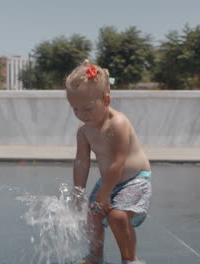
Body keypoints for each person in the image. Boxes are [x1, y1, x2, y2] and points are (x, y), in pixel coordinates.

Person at [65, 60, 152, 264]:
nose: (81, 115)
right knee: (93, 214)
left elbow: (118, 162)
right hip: (109, 180)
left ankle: (130, 260)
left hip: (134, 179)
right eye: (75, 109)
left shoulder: (118, 123)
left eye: (87, 108)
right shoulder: (84, 131)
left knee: (118, 217)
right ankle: (95, 255)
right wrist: (79, 192)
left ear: (106, 99)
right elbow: (81, 162)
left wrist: (104, 193)